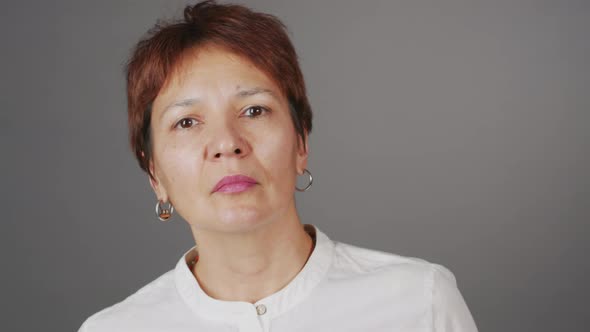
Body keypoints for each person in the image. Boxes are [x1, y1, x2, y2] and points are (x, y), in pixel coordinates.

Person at [78, 1, 478, 331]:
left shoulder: (419, 301)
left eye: (254, 110)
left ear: (301, 141)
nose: (227, 143)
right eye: (187, 122)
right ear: (155, 175)